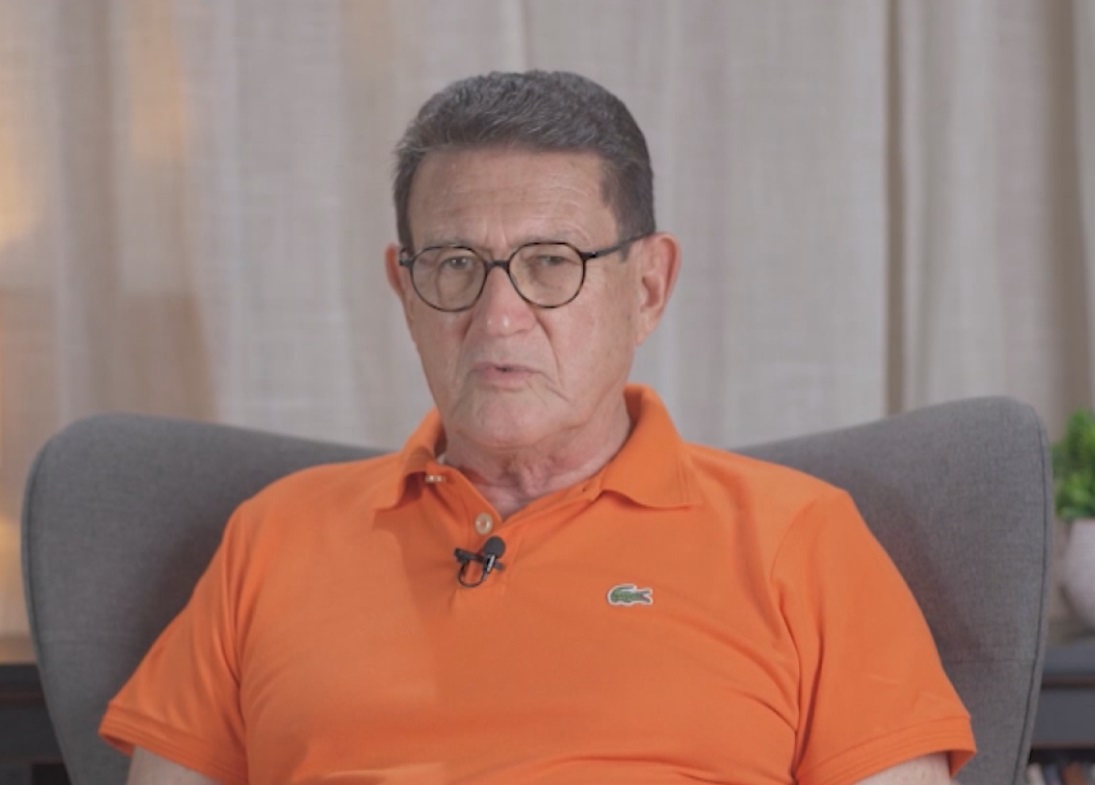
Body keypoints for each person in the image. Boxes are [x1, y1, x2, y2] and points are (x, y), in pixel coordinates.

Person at [100, 70, 976, 785]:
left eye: (551, 262)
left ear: (647, 287)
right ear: (404, 290)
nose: (498, 316)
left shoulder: (800, 540)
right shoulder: (273, 538)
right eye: (454, 263)